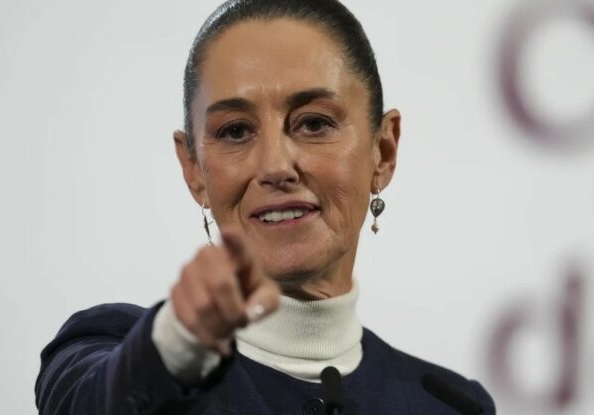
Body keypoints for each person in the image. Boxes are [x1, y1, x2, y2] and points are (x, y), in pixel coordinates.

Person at [35, 0, 497, 413]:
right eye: (235, 131)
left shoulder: (451, 405)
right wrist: (177, 345)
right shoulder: (104, 349)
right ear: (193, 168)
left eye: (314, 123)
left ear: (384, 151)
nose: (275, 166)